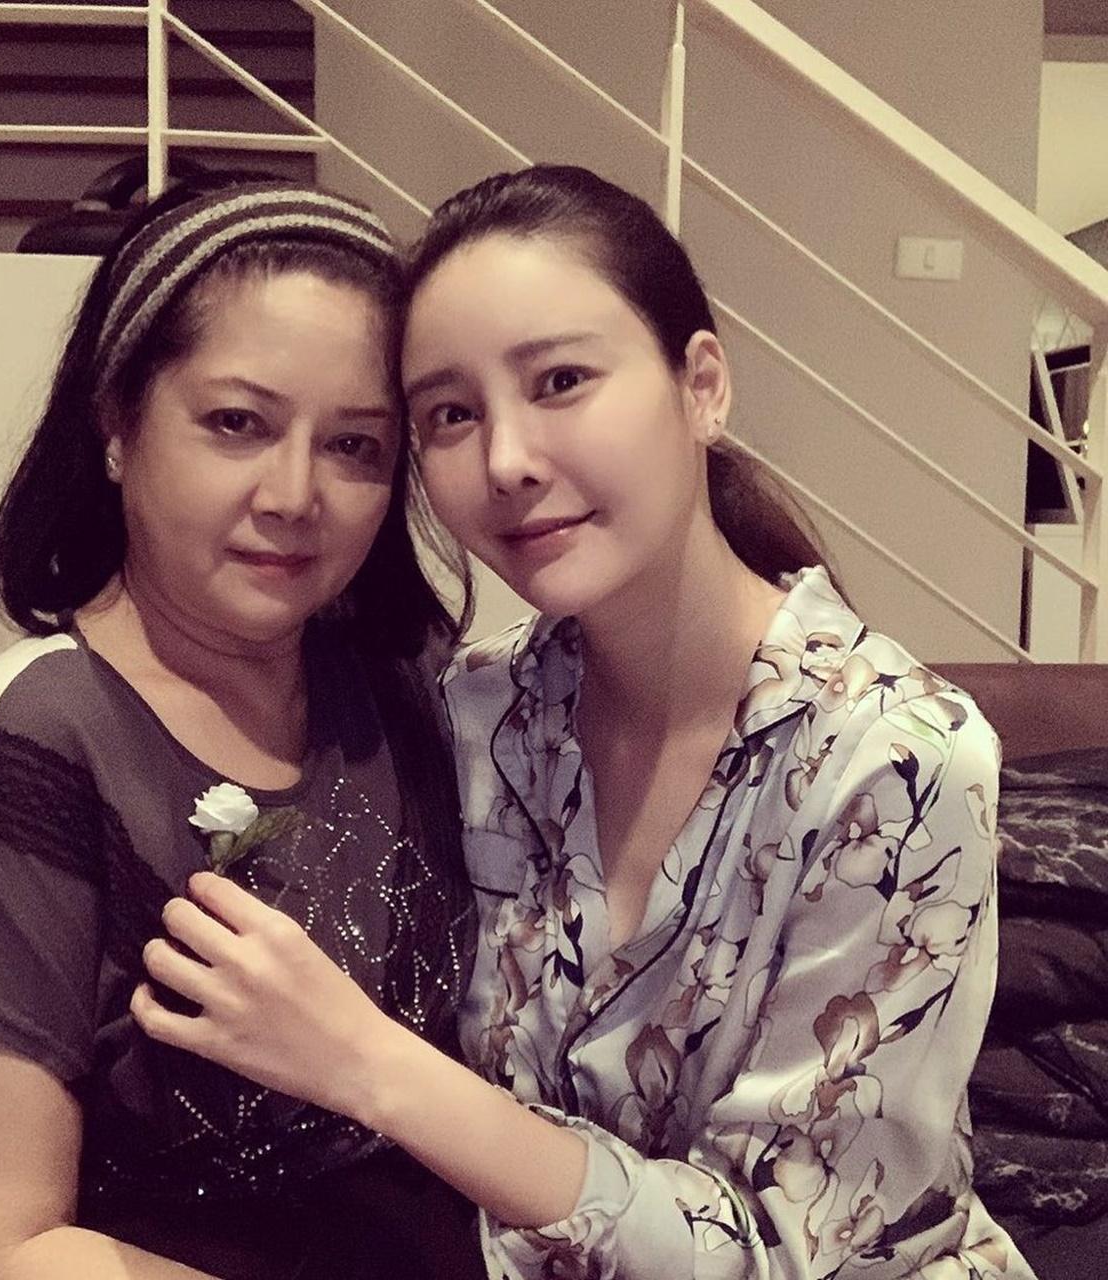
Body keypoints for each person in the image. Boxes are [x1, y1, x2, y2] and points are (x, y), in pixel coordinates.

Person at [128, 165, 1035, 1280]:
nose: (505, 461)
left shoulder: (894, 761)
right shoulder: (479, 710)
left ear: (702, 387)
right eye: (451, 414)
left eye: (560, 380)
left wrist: (372, 1066)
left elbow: (805, 1258)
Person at [0, 177, 483, 1280]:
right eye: (237, 423)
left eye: (355, 445)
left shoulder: (409, 696)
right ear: (117, 425)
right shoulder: (35, 742)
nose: (294, 493)